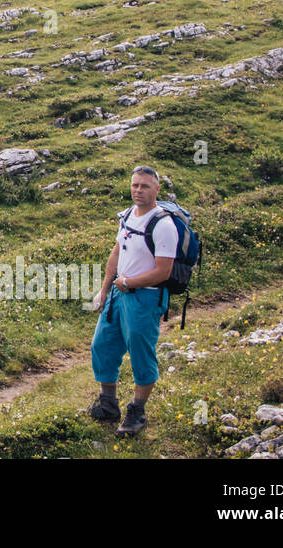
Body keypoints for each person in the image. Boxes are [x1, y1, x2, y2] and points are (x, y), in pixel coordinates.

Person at [88, 165, 177, 436]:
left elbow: (164, 271)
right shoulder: (127, 215)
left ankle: (137, 411)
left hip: (145, 299)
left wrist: (129, 282)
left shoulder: (164, 225)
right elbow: (116, 253)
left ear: (157, 189)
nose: (138, 190)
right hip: (117, 294)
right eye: (135, 185)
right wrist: (105, 289)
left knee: (141, 354)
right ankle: (108, 404)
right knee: (102, 346)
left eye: (145, 186)